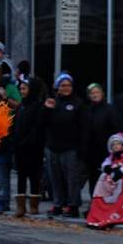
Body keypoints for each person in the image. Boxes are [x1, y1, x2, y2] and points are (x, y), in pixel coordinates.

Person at [43, 73, 87, 218]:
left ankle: (73, 206)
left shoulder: (78, 103)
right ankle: (58, 204)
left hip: (70, 147)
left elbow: (82, 126)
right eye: (63, 85)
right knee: (54, 178)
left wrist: (81, 147)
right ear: (57, 87)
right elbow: (44, 123)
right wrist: (47, 110)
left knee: (72, 179)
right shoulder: (52, 102)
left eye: (68, 85)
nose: (66, 88)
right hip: (53, 147)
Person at [10, 76, 47, 216]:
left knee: (34, 176)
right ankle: (20, 205)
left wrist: (28, 142)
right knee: (21, 175)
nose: (22, 91)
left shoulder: (38, 106)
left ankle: (33, 204)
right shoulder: (21, 106)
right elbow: (16, 125)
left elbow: (37, 128)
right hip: (20, 147)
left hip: (33, 148)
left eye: (24, 88)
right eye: (21, 88)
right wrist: (15, 141)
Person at [83, 83, 123, 193]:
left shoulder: (110, 110)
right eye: (92, 93)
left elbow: (117, 130)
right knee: (93, 179)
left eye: (97, 92)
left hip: (107, 152)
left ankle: (107, 206)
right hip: (91, 152)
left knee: (108, 179)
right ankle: (94, 204)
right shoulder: (87, 110)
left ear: (102, 93)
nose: (95, 95)